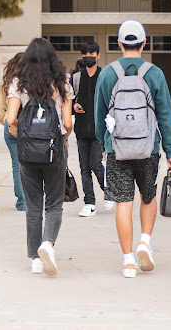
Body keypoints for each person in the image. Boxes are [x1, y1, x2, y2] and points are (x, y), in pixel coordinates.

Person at [94, 20, 171, 278]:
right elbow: (165, 115)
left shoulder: (107, 74)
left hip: (117, 149)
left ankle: (128, 261)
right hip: (148, 148)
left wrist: (104, 145)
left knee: (123, 203)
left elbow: (99, 117)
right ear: (145, 42)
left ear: (118, 43)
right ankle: (144, 241)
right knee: (148, 196)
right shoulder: (154, 73)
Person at [6, 37, 73, 277]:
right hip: (55, 150)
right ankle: (48, 244)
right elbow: (66, 122)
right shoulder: (62, 81)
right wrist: (63, 140)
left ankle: (35, 259)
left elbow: (11, 119)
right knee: (54, 204)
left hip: (27, 151)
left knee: (33, 206)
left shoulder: (18, 82)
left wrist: (21, 137)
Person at [72, 41, 110, 217]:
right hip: (81, 129)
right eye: (85, 54)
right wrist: (75, 106)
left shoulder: (105, 76)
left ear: (98, 55)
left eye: (92, 54)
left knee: (95, 164)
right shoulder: (77, 78)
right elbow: (71, 99)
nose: (88, 57)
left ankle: (108, 190)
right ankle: (89, 203)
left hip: (99, 131)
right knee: (84, 168)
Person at [0, 52, 26, 211]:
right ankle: (33, 198)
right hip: (31, 128)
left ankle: (22, 202)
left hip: (11, 127)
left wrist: (6, 121)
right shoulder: (34, 84)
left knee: (17, 165)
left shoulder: (5, 87)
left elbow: (0, 114)